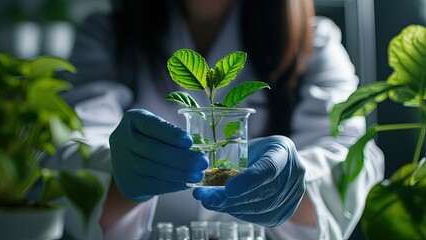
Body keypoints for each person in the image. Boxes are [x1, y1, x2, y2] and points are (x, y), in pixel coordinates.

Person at [54, 0, 385, 239]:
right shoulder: (108, 34)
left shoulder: (315, 40)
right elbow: (66, 145)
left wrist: (296, 184)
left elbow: (350, 151)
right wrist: (119, 175)